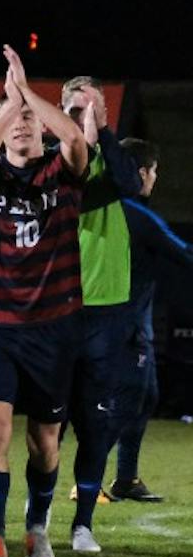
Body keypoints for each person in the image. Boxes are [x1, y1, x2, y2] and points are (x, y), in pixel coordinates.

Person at [0, 46, 89, 557]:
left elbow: (78, 139)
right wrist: (11, 106)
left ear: (42, 130)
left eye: (30, 121)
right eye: (12, 121)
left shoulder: (63, 172)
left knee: (43, 442)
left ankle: (37, 525)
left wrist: (28, 93)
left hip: (54, 328)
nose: (20, 127)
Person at [58, 76, 141, 551]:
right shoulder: (53, 161)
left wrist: (102, 133)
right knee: (50, 423)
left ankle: (83, 523)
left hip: (106, 309)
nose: (83, 119)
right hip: (58, 306)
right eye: (74, 110)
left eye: (92, 109)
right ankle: (40, 511)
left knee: (97, 421)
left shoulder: (113, 163)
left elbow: (130, 185)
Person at [113, 139, 189, 501]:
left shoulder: (117, 210)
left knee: (145, 396)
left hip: (132, 321)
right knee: (125, 399)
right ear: (142, 173)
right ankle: (90, 481)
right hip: (122, 325)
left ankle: (125, 479)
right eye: (154, 171)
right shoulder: (135, 213)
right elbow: (182, 252)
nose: (155, 178)